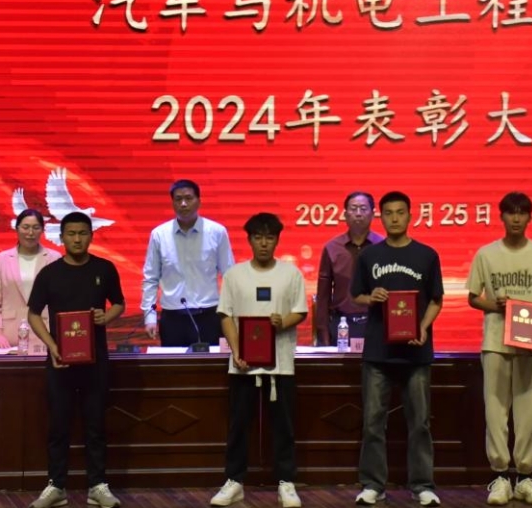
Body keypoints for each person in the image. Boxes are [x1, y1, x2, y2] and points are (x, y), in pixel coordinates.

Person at [466, 192, 532, 507]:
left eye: (522, 213)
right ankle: (499, 477)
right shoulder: (486, 254)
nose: (516, 218)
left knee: (528, 411)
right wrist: (495, 306)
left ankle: (523, 478)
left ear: (530, 217)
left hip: (530, 346)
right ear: (502, 217)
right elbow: (473, 297)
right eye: (511, 213)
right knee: (495, 411)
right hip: (495, 343)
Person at [350, 191, 445, 507]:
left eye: (400, 212)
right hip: (378, 352)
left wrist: (423, 327)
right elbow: (356, 295)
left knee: (420, 422)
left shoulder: (427, 255)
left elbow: (436, 300)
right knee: (373, 422)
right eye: (388, 213)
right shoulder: (369, 256)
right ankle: (373, 484)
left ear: (410, 215)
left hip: (416, 351)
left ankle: (422, 485)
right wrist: (371, 297)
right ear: (381, 217)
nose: (394, 218)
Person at [26, 211, 125, 508]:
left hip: (96, 362)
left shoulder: (105, 268)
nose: (77, 239)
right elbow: (33, 314)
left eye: (82, 233)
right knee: (59, 426)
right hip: (61, 362)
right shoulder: (49, 273)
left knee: (96, 425)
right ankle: (56, 486)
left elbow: (119, 304)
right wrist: (52, 345)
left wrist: (106, 317)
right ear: (61, 238)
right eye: (71, 233)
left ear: (91, 236)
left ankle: (98, 485)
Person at [210, 213, 308, 508]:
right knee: (239, 425)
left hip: (281, 364)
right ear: (249, 240)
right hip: (243, 365)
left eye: (269, 237)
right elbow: (226, 315)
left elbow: (300, 311)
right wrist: (236, 351)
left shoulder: (291, 274)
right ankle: (234, 481)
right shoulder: (234, 275)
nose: (264, 243)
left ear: (277, 240)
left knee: (283, 426)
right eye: (258, 237)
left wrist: (283, 322)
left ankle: (286, 482)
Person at [141, 179, 235, 347]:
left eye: (188, 198)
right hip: (173, 319)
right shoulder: (159, 235)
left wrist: (231, 314)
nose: (183, 204)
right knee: (174, 363)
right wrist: (150, 317)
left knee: (211, 363)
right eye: (178, 199)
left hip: (209, 317)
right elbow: (151, 279)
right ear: (172, 203)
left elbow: (229, 275)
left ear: (199, 201)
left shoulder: (217, 232)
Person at [0, 207, 62, 348]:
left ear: (42, 230)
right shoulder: (3, 259)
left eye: (36, 228)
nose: (30, 233)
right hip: (9, 335)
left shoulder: (54, 258)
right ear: (17, 229)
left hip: (44, 333)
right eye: (25, 227)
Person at [315, 191, 382, 346]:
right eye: (353, 208)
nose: (358, 213)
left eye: (363, 209)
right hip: (341, 323)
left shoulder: (383, 246)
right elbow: (323, 296)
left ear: (373, 214)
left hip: (376, 322)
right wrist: (323, 333)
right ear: (345, 215)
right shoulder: (332, 247)